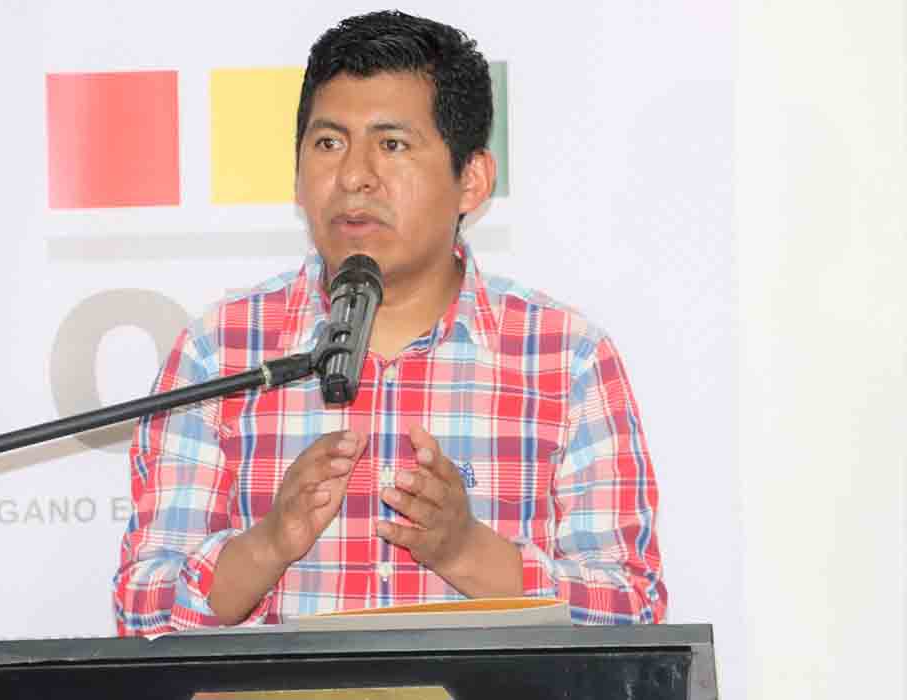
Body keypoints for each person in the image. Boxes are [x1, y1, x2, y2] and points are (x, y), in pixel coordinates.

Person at [114, 10, 666, 635]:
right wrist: (267, 546)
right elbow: (141, 612)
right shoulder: (221, 352)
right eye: (329, 143)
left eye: (392, 145)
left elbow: (634, 613)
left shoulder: (565, 359)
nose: (354, 177)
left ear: (472, 179)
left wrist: (467, 553)